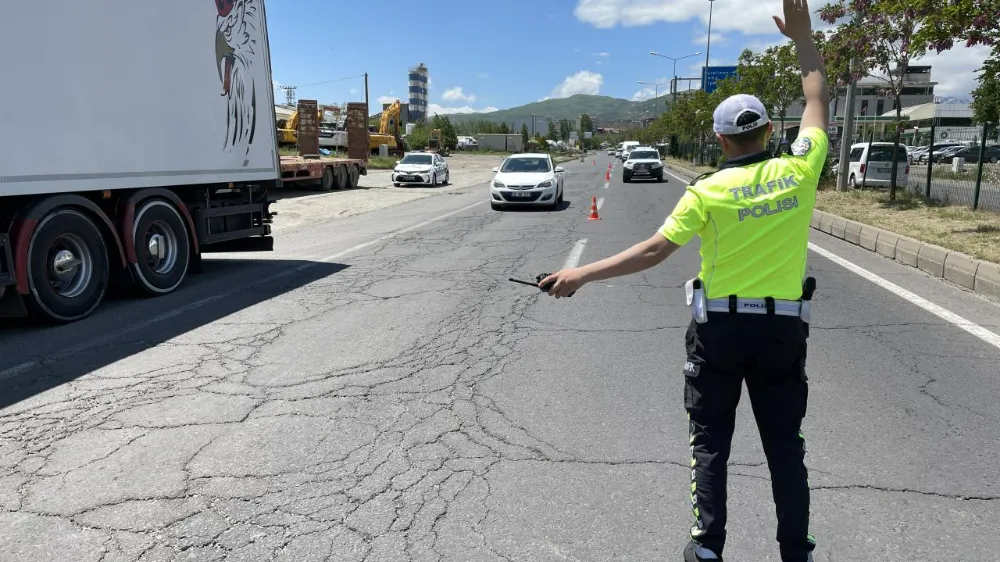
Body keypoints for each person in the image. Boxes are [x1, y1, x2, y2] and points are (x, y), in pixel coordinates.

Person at [537, 0, 829, 560]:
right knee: (785, 451)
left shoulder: (706, 192)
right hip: (781, 335)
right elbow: (817, 96)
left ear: (719, 141)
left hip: (718, 332)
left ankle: (708, 549)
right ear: (770, 130)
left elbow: (652, 251)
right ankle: (796, 551)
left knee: (711, 445)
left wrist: (580, 275)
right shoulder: (799, 169)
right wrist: (802, 40)